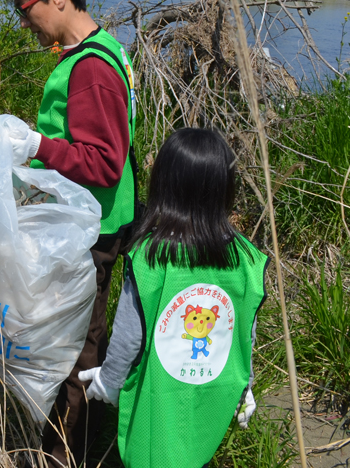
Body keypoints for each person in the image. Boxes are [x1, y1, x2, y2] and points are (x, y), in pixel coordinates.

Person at [0, 0, 137, 467]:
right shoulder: (96, 51)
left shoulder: (92, 69)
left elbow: (103, 162)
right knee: (80, 341)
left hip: (92, 233)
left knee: (76, 351)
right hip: (91, 224)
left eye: (25, 8)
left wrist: (36, 146)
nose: (25, 21)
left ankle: (63, 455)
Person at [78, 128, 266, 467]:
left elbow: (128, 336)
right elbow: (244, 333)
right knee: (196, 451)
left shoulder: (152, 257)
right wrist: (245, 384)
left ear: (164, 186)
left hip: (158, 398)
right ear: (225, 189)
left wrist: (109, 381)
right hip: (215, 388)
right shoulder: (247, 260)